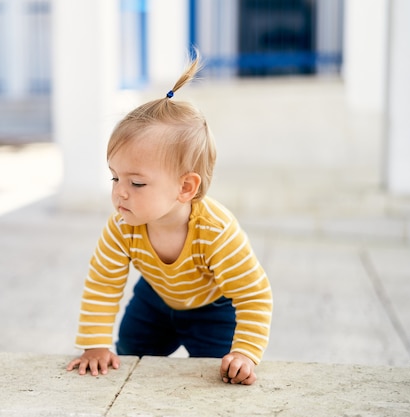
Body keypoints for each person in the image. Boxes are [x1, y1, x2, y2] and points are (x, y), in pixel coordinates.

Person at [65, 52, 272, 385]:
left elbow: (253, 293)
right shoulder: (122, 227)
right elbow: (104, 283)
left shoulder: (216, 232)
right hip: (154, 303)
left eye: (137, 182)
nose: (120, 192)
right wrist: (94, 344)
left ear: (185, 187)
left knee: (222, 377)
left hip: (212, 310)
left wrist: (245, 353)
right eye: (115, 178)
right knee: (128, 362)